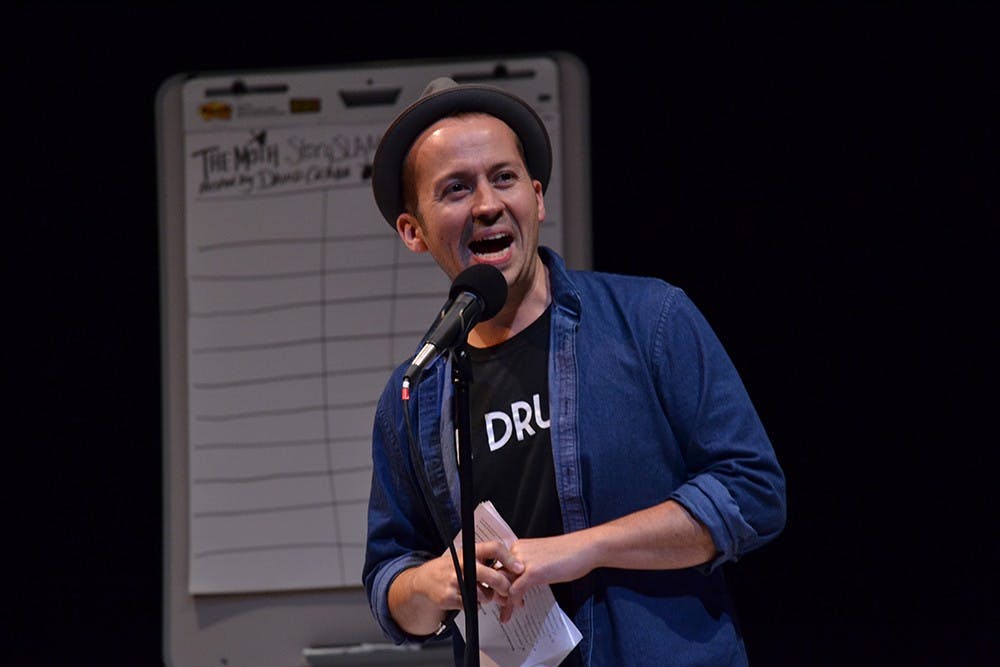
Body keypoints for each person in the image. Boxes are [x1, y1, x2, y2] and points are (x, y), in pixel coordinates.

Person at [363, 76, 786, 666]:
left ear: (537, 198)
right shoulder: (412, 395)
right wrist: (433, 584)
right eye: (456, 188)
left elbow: (753, 493)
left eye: (504, 178)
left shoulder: (650, 320)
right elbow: (390, 582)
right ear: (414, 230)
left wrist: (577, 551)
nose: (487, 203)